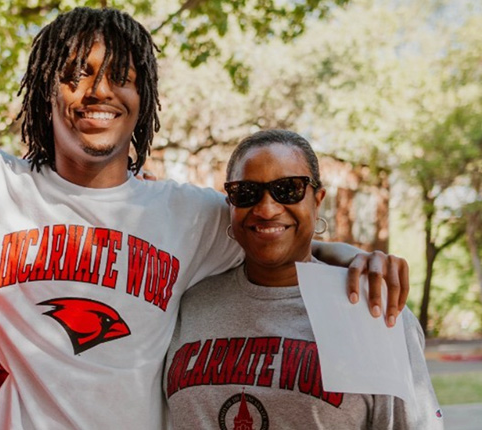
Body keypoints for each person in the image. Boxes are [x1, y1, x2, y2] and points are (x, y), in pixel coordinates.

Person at [0, 8, 410, 429]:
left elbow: (272, 229)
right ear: (44, 93)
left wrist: (348, 255)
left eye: (120, 76)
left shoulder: (188, 214)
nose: (98, 91)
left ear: (141, 100)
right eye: (75, 74)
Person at [164, 129, 442, 429]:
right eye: (246, 192)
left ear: (318, 200)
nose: (267, 209)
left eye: (289, 189)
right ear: (230, 204)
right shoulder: (187, 302)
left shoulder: (374, 310)